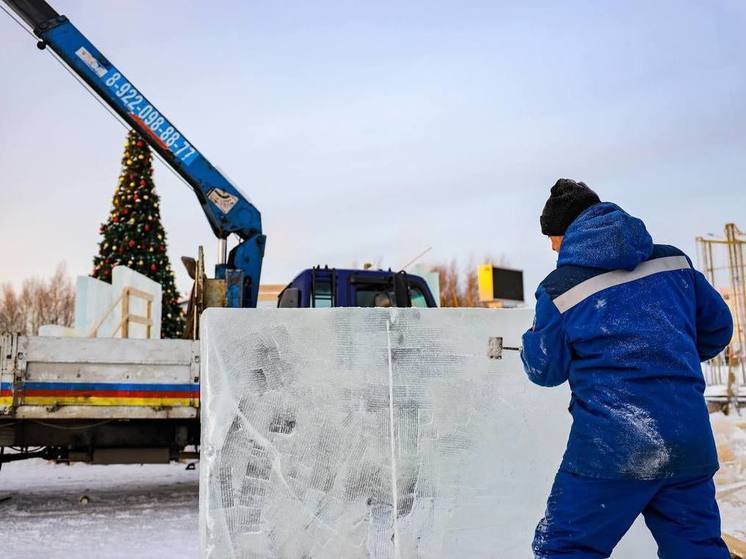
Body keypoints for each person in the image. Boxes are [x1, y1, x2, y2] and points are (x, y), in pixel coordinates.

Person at [521, 179, 733, 559]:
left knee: (565, 548)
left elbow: (545, 370)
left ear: (565, 232)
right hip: (688, 441)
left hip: (613, 448)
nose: (553, 248)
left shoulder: (560, 288)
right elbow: (719, 329)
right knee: (696, 549)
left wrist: (531, 342)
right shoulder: (674, 262)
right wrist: (666, 356)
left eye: (552, 237)